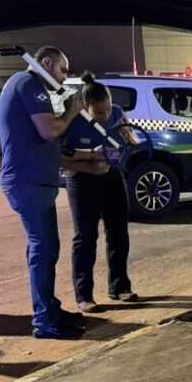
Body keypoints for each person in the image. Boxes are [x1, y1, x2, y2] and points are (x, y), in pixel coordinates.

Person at [0, 46, 85, 339]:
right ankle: (44, 322)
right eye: (63, 70)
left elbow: (45, 138)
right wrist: (72, 110)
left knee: (46, 250)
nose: (65, 77)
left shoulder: (33, 88)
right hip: (28, 183)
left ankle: (50, 310)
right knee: (42, 251)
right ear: (46, 62)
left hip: (35, 182)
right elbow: (50, 130)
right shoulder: (28, 83)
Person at [61, 72, 139, 313]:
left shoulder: (116, 112)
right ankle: (84, 296)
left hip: (112, 177)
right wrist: (91, 159)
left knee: (118, 232)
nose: (105, 116)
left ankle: (120, 286)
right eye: (99, 113)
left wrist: (129, 136)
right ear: (85, 106)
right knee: (85, 237)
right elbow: (61, 157)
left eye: (107, 110)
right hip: (82, 181)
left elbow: (131, 142)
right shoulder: (72, 119)